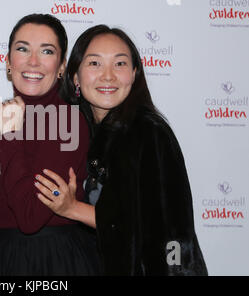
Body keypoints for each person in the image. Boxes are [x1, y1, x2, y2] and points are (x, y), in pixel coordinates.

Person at [34, 25, 208, 275]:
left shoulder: (148, 132)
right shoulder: (79, 133)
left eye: (120, 64)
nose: (108, 76)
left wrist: (73, 208)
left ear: (135, 73)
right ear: (75, 76)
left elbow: (164, 230)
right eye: (94, 64)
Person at [0, 14, 100, 276]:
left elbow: (30, 216)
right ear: (7, 61)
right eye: (22, 48)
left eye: (46, 51)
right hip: (2, 257)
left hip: (53, 260)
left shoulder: (67, 121)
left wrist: (10, 136)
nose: (33, 61)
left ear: (61, 66)